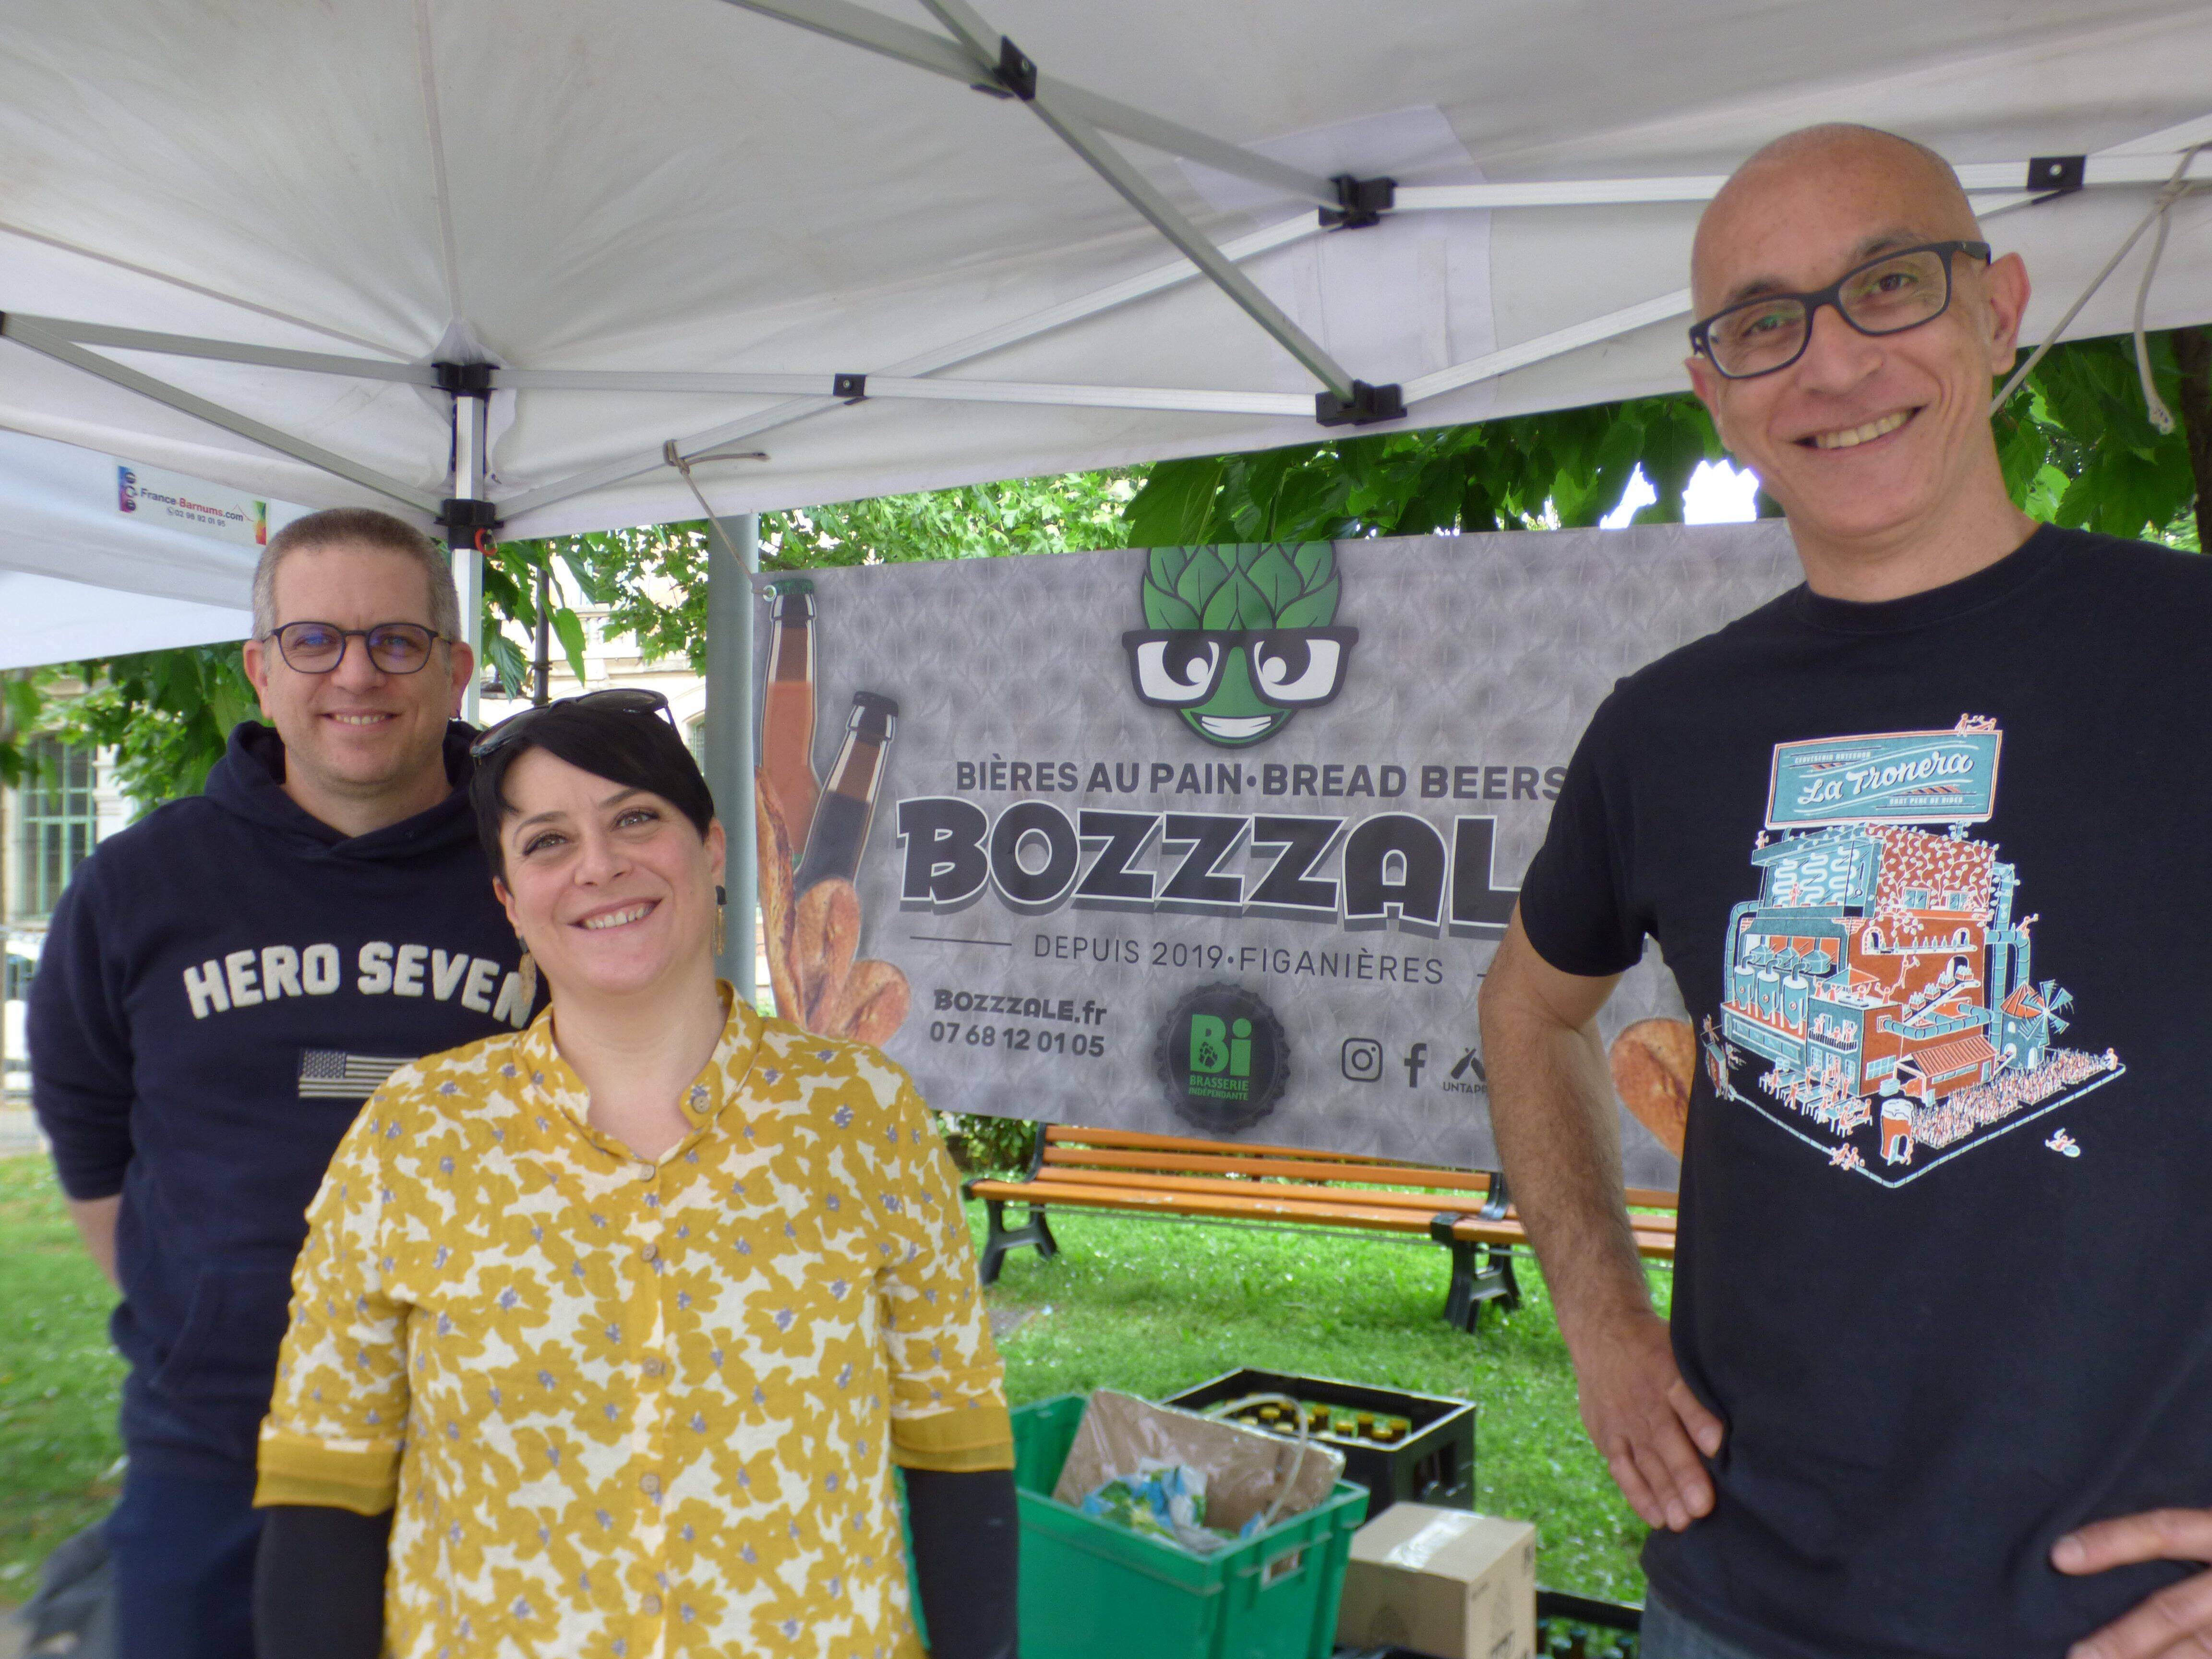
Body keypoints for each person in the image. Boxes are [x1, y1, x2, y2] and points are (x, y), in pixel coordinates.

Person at [1479, 123, 2212, 1659]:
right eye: (1763, 322)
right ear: (1716, 389)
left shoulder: (2189, 653)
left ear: (1998, 307)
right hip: (1741, 1611)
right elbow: (1530, 1007)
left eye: (1888, 284)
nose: (1830, 363)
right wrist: (1604, 1326)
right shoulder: (1662, 729)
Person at [249, 691, 1019, 1659]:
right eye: (547, 842)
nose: (600, 866)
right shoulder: (416, 1136)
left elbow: (956, 1440)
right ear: (508, 901)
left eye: (635, 819)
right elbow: (326, 1489)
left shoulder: (860, 1115)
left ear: (712, 850)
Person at [29, 507, 536, 1659]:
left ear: (454, 669)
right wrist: (206, 1317)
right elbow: (91, 1139)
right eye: (315, 640)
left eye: (397, 642)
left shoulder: (540, 868)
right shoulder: (137, 885)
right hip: (215, 1452)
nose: (356, 673)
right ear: (262, 669)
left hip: (483, 1446)